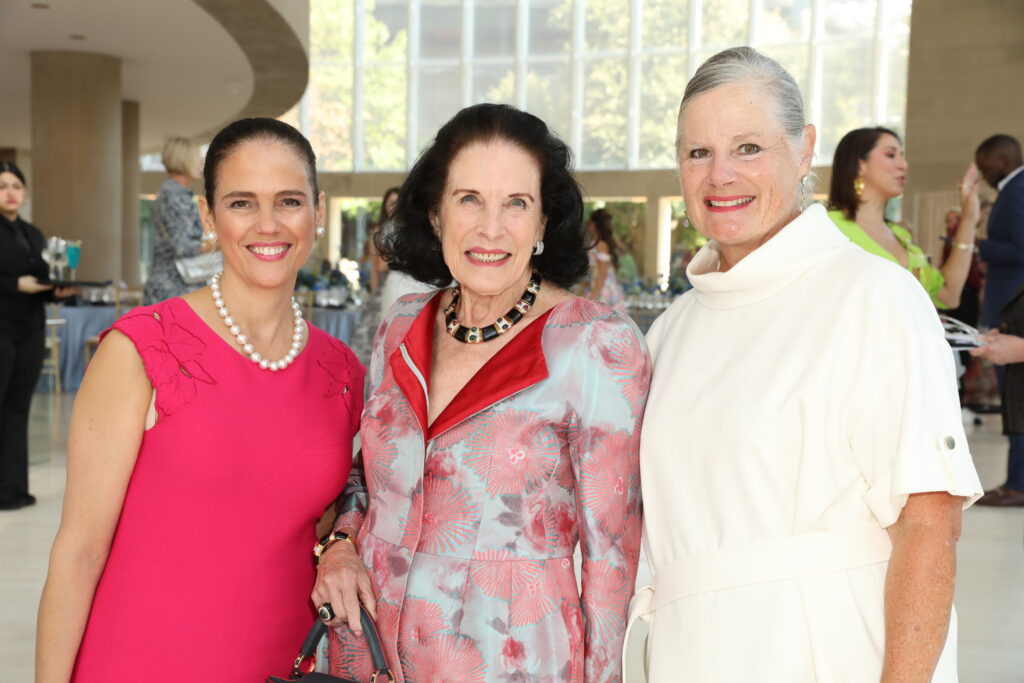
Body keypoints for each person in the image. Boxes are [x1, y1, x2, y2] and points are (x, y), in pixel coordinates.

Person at [631, 47, 982, 682]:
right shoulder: (671, 333)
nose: (720, 176)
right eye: (698, 153)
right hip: (690, 654)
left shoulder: (873, 296)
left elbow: (929, 524)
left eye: (748, 148)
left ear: (804, 150)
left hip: (830, 649)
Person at [314, 103, 650, 682]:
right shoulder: (400, 324)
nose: (490, 228)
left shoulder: (595, 343)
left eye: (516, 204)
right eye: (469, 198)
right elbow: (369, 474)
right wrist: (339, 545)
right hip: (366, 645)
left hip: (507, 658)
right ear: (436, 214)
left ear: (543, 223)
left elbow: (611, 555)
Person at [36, 119, 365, 682]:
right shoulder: (140, 349)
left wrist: (342, 545)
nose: (268, 224)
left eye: (288, 200)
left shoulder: (342, 372)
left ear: (317, 209)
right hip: (139, 662)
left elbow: (327, 515)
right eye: (242, 202)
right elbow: (78, 553)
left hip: (281, 663)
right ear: (208, 217)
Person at [827, 127, 981, 309]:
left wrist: (969, 218)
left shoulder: (902, 237)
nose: (903, 164)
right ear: (860, 165)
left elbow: (949, 295)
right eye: (891, 155)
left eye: (902, 155)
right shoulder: (828, 227)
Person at [0, 162, 74, 511]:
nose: (10, 192)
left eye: (16, 185)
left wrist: (56, 292)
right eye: (3, 186)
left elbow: (42, 280)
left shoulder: (32, 233)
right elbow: (20, 281)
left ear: (24, 192)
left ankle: (13, 488)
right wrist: (15, 285)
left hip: (30, 328)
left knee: (18, 409)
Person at [974, 133, 1024, 506]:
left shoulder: (1017, 189)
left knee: (1016, 400)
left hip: (1014, 308)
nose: (980, 170)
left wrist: (981, 246)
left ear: (1002, 160)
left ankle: (1017, 485)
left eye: (984, 162)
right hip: (1009, 304)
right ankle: (1014, 480)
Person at [143, 137, 211, 305]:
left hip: (172, 285)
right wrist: (215, 245)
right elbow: (183, 246)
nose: (201, 162)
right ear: (184, 161)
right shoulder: (175, 196)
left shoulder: (173, 193)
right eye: (197, 158)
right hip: (175, 288)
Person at [583, 208, 627, 311]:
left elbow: (603, 273)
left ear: (593, 224)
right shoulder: (598, 244)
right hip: (601, 287)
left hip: (603, 290)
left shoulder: (600, 244)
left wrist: (593, 295)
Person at [363, 186, 399, 294]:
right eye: (392, 203)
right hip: (385, 283)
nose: (395, 207)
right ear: (386, 206)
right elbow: (376, 265)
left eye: (398, 203)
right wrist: (374, 292)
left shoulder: (411, 231)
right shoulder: (378, 232)